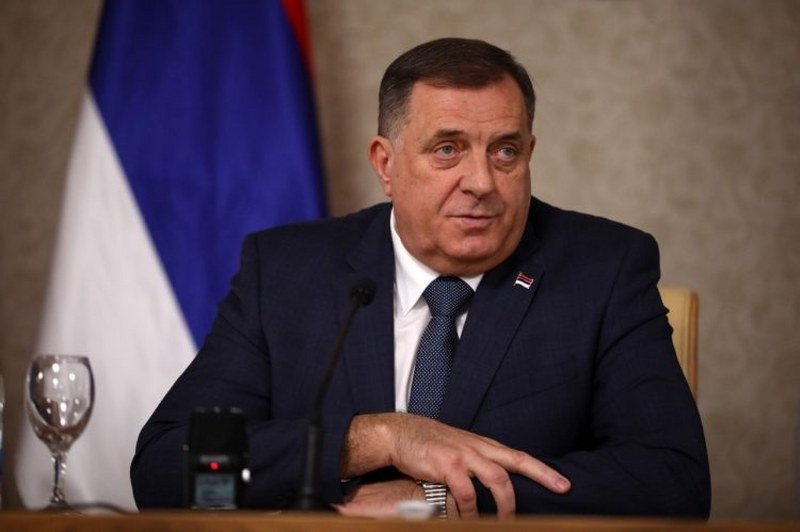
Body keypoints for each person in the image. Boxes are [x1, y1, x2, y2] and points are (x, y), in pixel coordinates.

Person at [131, 38, 710, 518]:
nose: (482, 181)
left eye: (505, 151)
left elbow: (673, 482)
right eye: (448, 149)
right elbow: (166, 468)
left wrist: (433, 500)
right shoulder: (286, 273)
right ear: (385, 164)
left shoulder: (604, 269)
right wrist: (378, 438)